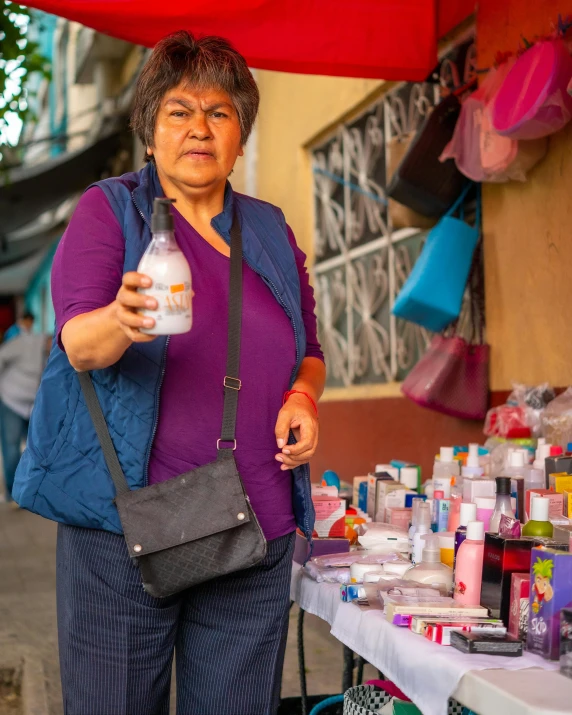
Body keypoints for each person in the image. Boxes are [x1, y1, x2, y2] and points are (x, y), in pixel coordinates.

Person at [13, 31, 325, 715]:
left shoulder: (270, 230)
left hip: (255, 530)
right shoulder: (110, 211)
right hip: (123, 534)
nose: (200, 128)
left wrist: (304, 395)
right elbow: (79, 343)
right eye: (179, 111)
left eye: (220, 112)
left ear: (240, 134)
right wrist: (121, 320)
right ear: (151, 132)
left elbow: (309, 346)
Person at [0, 330, 47, 503]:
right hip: (11, 401)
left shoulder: (55, 356)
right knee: (11, 449)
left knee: (36, 448)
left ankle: (32, 491)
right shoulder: (24, 343)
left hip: (33, 405)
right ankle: (12, 494)